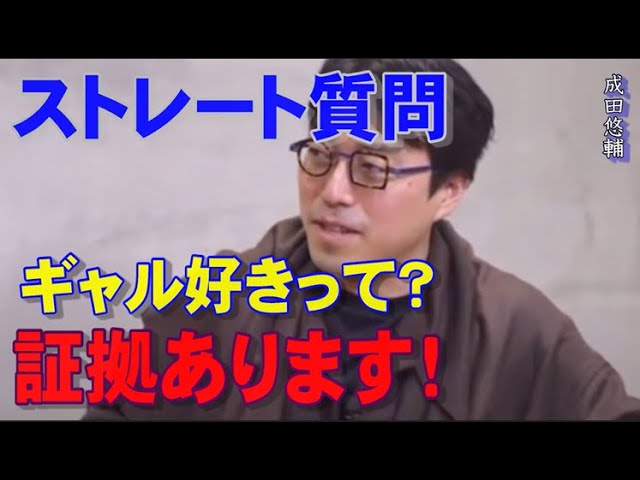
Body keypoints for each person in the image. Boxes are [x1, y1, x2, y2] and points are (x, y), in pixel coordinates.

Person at [83, 58, 640, 421]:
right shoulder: (214, 305)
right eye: (320, 155)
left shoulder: (518, 333)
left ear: (449, 191)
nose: (333, 191)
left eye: (373, 167)